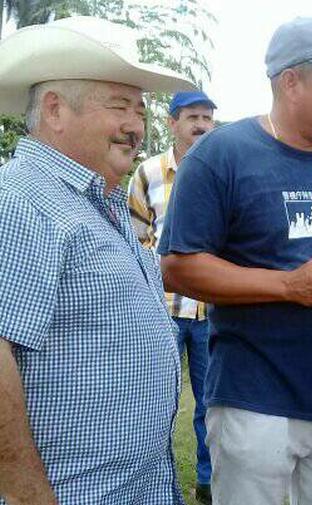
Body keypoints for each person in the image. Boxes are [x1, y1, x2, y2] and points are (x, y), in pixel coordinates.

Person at [157, 17, 312, 505]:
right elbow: (178, 266)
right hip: (256, 401)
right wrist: (287, 286)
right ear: (291, 82)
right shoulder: (220, 156)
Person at [0, 16, 194, 504]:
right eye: (120, 106)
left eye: (141, 109)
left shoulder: (97, 200)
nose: (137, 126)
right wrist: (27, 496)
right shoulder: (22, 200)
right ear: (55, 109)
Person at [128, 90, 217, 505]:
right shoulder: (147, 172)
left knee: (212, 401)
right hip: (162, 309)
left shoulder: (222, 168)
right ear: (172, 122)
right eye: (193, 117)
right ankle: (150, 482)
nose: (201, 125)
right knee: (154, 400)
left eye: (208, 118)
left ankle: (208, 481)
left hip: (212, 309)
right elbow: (136, 238)